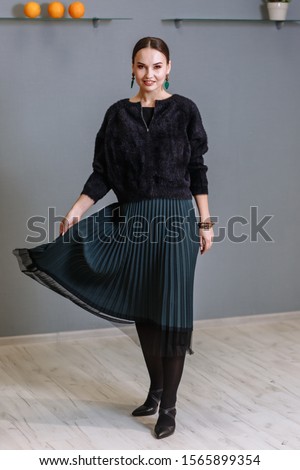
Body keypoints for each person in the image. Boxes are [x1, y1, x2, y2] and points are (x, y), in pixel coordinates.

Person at [13, 37, 214, 439]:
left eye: (157, 66)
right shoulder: (117, 116)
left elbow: (197, 168)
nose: (150, 74)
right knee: (144, 308)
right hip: (133, 221)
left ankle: (169, 408)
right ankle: (155, 390)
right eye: (142, 66)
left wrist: (205, 222)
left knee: (172, 314)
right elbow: (103, 172)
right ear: (132, 68)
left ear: (169, 67)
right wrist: (76, 209)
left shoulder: (185, 110)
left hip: (175, 221)